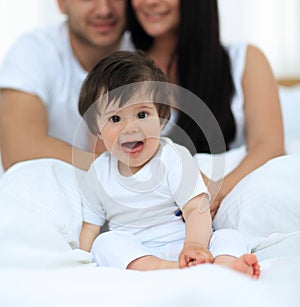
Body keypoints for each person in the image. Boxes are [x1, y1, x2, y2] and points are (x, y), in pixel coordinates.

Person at [78, 50, 260, 278]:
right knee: (105, 243)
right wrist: (80, 261)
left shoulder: (172, 157)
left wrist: (194, 245)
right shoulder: (98, 173)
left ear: (162, 118)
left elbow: (196, 208)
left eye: (142, 114)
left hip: (186, 242)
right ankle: (174, 271)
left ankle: (227, 267)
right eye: (115, 119)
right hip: (139, 253)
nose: (130, 128)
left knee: (229, 236)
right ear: (97, 130)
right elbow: (90, 228)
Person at [126, 0, 284, 217]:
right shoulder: (121, 71)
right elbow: (106, 157)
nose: (150, 2)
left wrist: (214, 192)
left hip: (224, 204)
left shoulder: (245, 60)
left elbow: (269, 145)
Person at [0, 0, 131, 173]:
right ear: (61, 3)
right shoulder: (34, 51)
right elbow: (20, 151)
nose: (104, 10)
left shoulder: (145, 56)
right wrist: (116, 172)